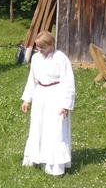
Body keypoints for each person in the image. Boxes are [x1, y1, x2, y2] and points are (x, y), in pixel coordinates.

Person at [20, 31, 75, 177]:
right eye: (38, 47)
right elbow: (31, 79)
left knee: (55, 130)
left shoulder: (61, 59)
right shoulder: (36, 58)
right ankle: (36, 157)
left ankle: (54, 166)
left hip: (56, 97)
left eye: (42, 47)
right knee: (38, 127)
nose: (39, 50)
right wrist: (27, 99)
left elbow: (68, 83)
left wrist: (65, 105)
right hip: (40, 96)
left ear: (51, 45)